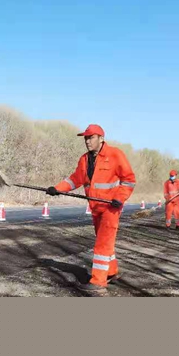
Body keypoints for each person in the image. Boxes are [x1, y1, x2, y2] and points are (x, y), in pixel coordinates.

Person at [46, 124, 136, 296]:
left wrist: (119, 197)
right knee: (106, 243)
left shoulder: (115, 155)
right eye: (86, 138)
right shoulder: (84, 159)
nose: (87, 141)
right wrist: (57, 189)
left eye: (91, 137)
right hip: (95, 208)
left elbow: (129, 180)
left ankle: (98, 281)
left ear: (101, 139)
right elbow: (75, 180)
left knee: (102, 244)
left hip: (111, 207)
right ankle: (111, 271)